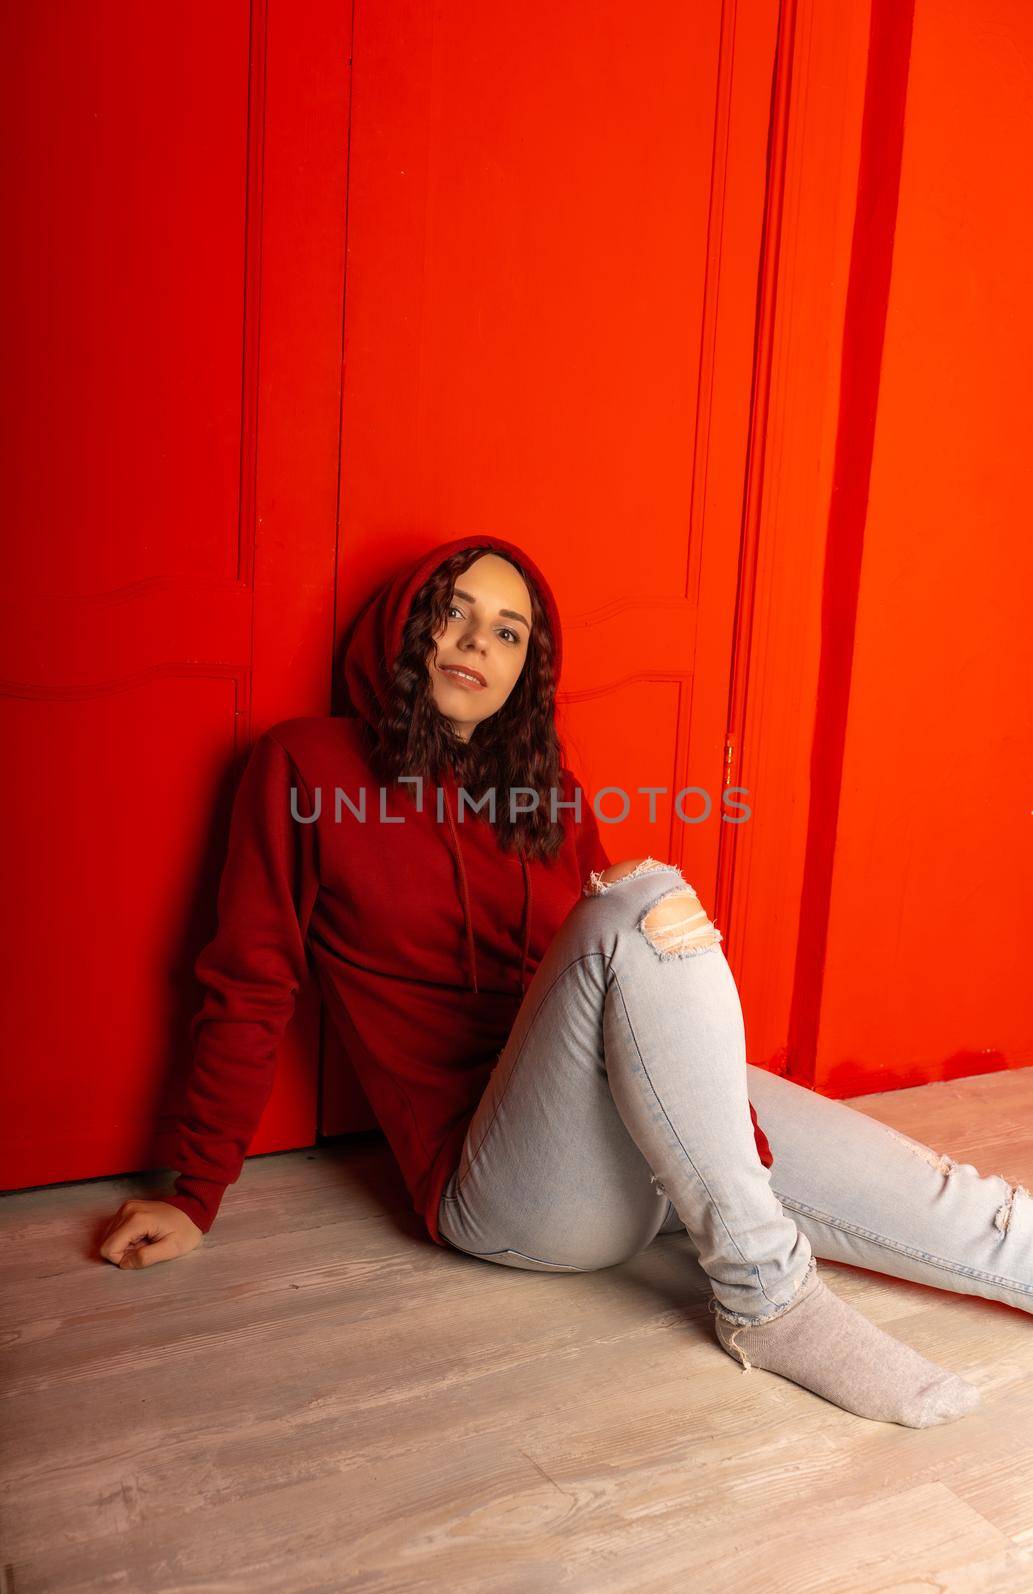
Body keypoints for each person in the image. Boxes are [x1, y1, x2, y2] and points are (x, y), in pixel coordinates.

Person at [100, 535, 1030, 1428]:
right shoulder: (305, 765)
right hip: (503, 1190)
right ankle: (768, 1296)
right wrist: (195, 1193)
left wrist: (727, 1143)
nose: (476, 642)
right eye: (452, 614)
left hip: (638, 1142)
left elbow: (636, 1001)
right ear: (404, 627)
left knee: (953, 1195)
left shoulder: (547, 794)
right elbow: (250, 985)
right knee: (645, 895)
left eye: (508, 631)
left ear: (526, 668)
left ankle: (769, 1225)